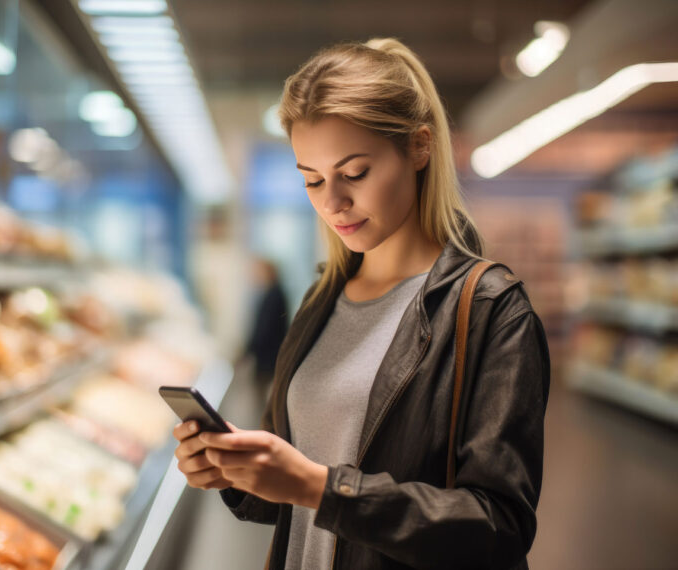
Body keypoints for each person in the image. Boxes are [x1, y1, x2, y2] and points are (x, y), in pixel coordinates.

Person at [172, 37, 550, 570]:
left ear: (419, 147)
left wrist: (320, 487)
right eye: (313, 179)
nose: (332, 202)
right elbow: (292, 500)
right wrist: (236, 470)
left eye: (354, 173)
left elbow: (499, 528)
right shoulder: (321, 299)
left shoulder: (491, 309)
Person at [243, 257, 289, 403]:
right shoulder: (271, 292)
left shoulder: (273, 294)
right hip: (268, 354)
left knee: (263, 394)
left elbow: (265, 327)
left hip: (269, 355)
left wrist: (250, 349)